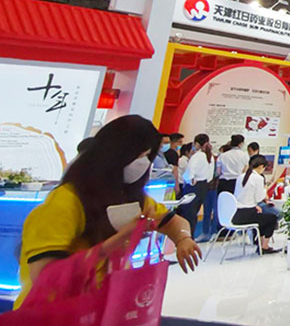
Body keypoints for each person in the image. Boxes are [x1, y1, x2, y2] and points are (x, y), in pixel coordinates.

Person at [15, 116, 202, 307]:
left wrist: (183, 239)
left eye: (148, 156)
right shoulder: (66, 200)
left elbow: (172, 222)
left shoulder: (132, 197)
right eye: (139, 156)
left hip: (99, 307)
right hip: (55, 310)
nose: (143, 163)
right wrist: (119, 240)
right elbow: (45, 276)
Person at [233, 154, 280, 253]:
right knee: (272, 218)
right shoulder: (258, 178)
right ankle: (264, 246)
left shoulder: (241, 176)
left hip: (236, 213)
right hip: (247, 215)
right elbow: (259, 198)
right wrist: (265, 189)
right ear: (261, 166)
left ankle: (260, 243)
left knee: (262, 216)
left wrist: (255, 206)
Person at [183, 134, 215, 240]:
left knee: (189, 213)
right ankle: (190, 236)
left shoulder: (197, 156)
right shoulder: (210, 156)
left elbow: (190, 171)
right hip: (204, 186)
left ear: (196, 143)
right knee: (194, 212)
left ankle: (188, 236)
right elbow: (210, 176)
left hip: (194, 186)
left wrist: (190, 180)